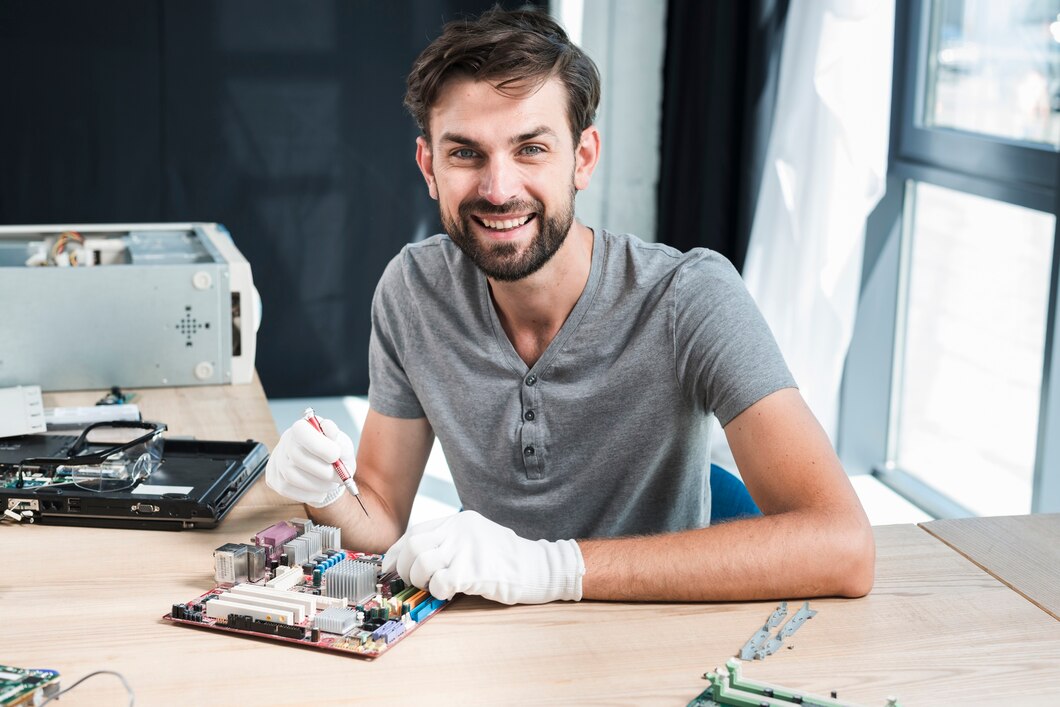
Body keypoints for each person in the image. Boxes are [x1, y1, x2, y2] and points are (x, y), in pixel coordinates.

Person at [266, 6, 874, 605]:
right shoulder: (413, 290)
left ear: (582, 158)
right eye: (465, 153)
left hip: (657, 645)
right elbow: (381, 518)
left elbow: (841, 545)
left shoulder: (690, 297)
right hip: (500, 649)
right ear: (429, 166)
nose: (498, 189)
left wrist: (553, 568)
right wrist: (325, 489)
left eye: (530, 149)